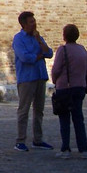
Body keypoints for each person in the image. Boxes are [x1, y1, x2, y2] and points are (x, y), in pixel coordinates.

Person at [13, 10, 54, 151]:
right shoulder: (18, 39)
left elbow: (49, 53)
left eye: (34, 21)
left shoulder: (38, 37)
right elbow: (25, 57)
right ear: (24, 24)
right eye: (31, 22)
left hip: (40, 76)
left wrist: (39, 43)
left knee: (39, 110)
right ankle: (20, 140)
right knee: (24, 110)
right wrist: (37, 56)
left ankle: (38, 139)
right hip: (27, 78)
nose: (34, 24)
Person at [51, 23, 87, 157]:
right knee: (78, 118)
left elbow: (56, 69)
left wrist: (55, 80)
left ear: (64, 36)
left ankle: (66, 148)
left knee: (64, 119)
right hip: (80, 86)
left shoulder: (63, 50)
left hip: (65, 87)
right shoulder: (82, 49)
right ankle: (83, 149)